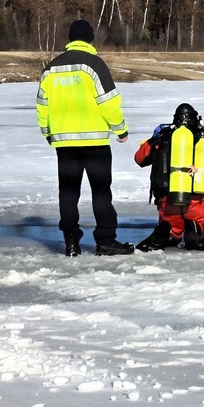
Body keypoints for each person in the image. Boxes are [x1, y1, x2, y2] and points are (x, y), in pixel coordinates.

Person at [36, 19, 135, 256]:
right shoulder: (94, 64)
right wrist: (120, 129)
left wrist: (48, 132)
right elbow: (109, 101)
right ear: (90, 39)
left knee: (68, 194)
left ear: (70, 39)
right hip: (95, 143)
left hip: (65, 144)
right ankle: (105, 241)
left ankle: (71, 242)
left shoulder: (52, 68)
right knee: (101, 193)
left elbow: (42, 105)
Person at [134, 103, 204, 251]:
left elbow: (139, 159)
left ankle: (167, 231)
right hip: (199, 203)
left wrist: (152, 139)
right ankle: (196, 230)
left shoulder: (163, 137)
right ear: (196, 119)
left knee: (171, 231)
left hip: (168, 202)